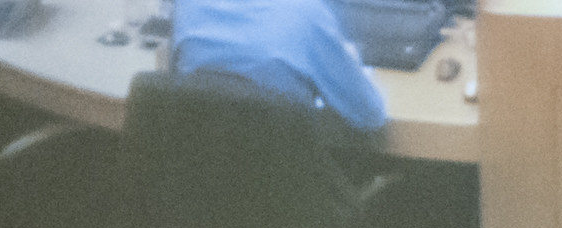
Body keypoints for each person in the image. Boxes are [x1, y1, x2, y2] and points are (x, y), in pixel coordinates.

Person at [165, 0, 392, 135]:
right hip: (289, 197)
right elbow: (370, 116)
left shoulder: (189, 7)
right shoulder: (306, 13)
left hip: (202, 193)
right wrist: (348, 59)